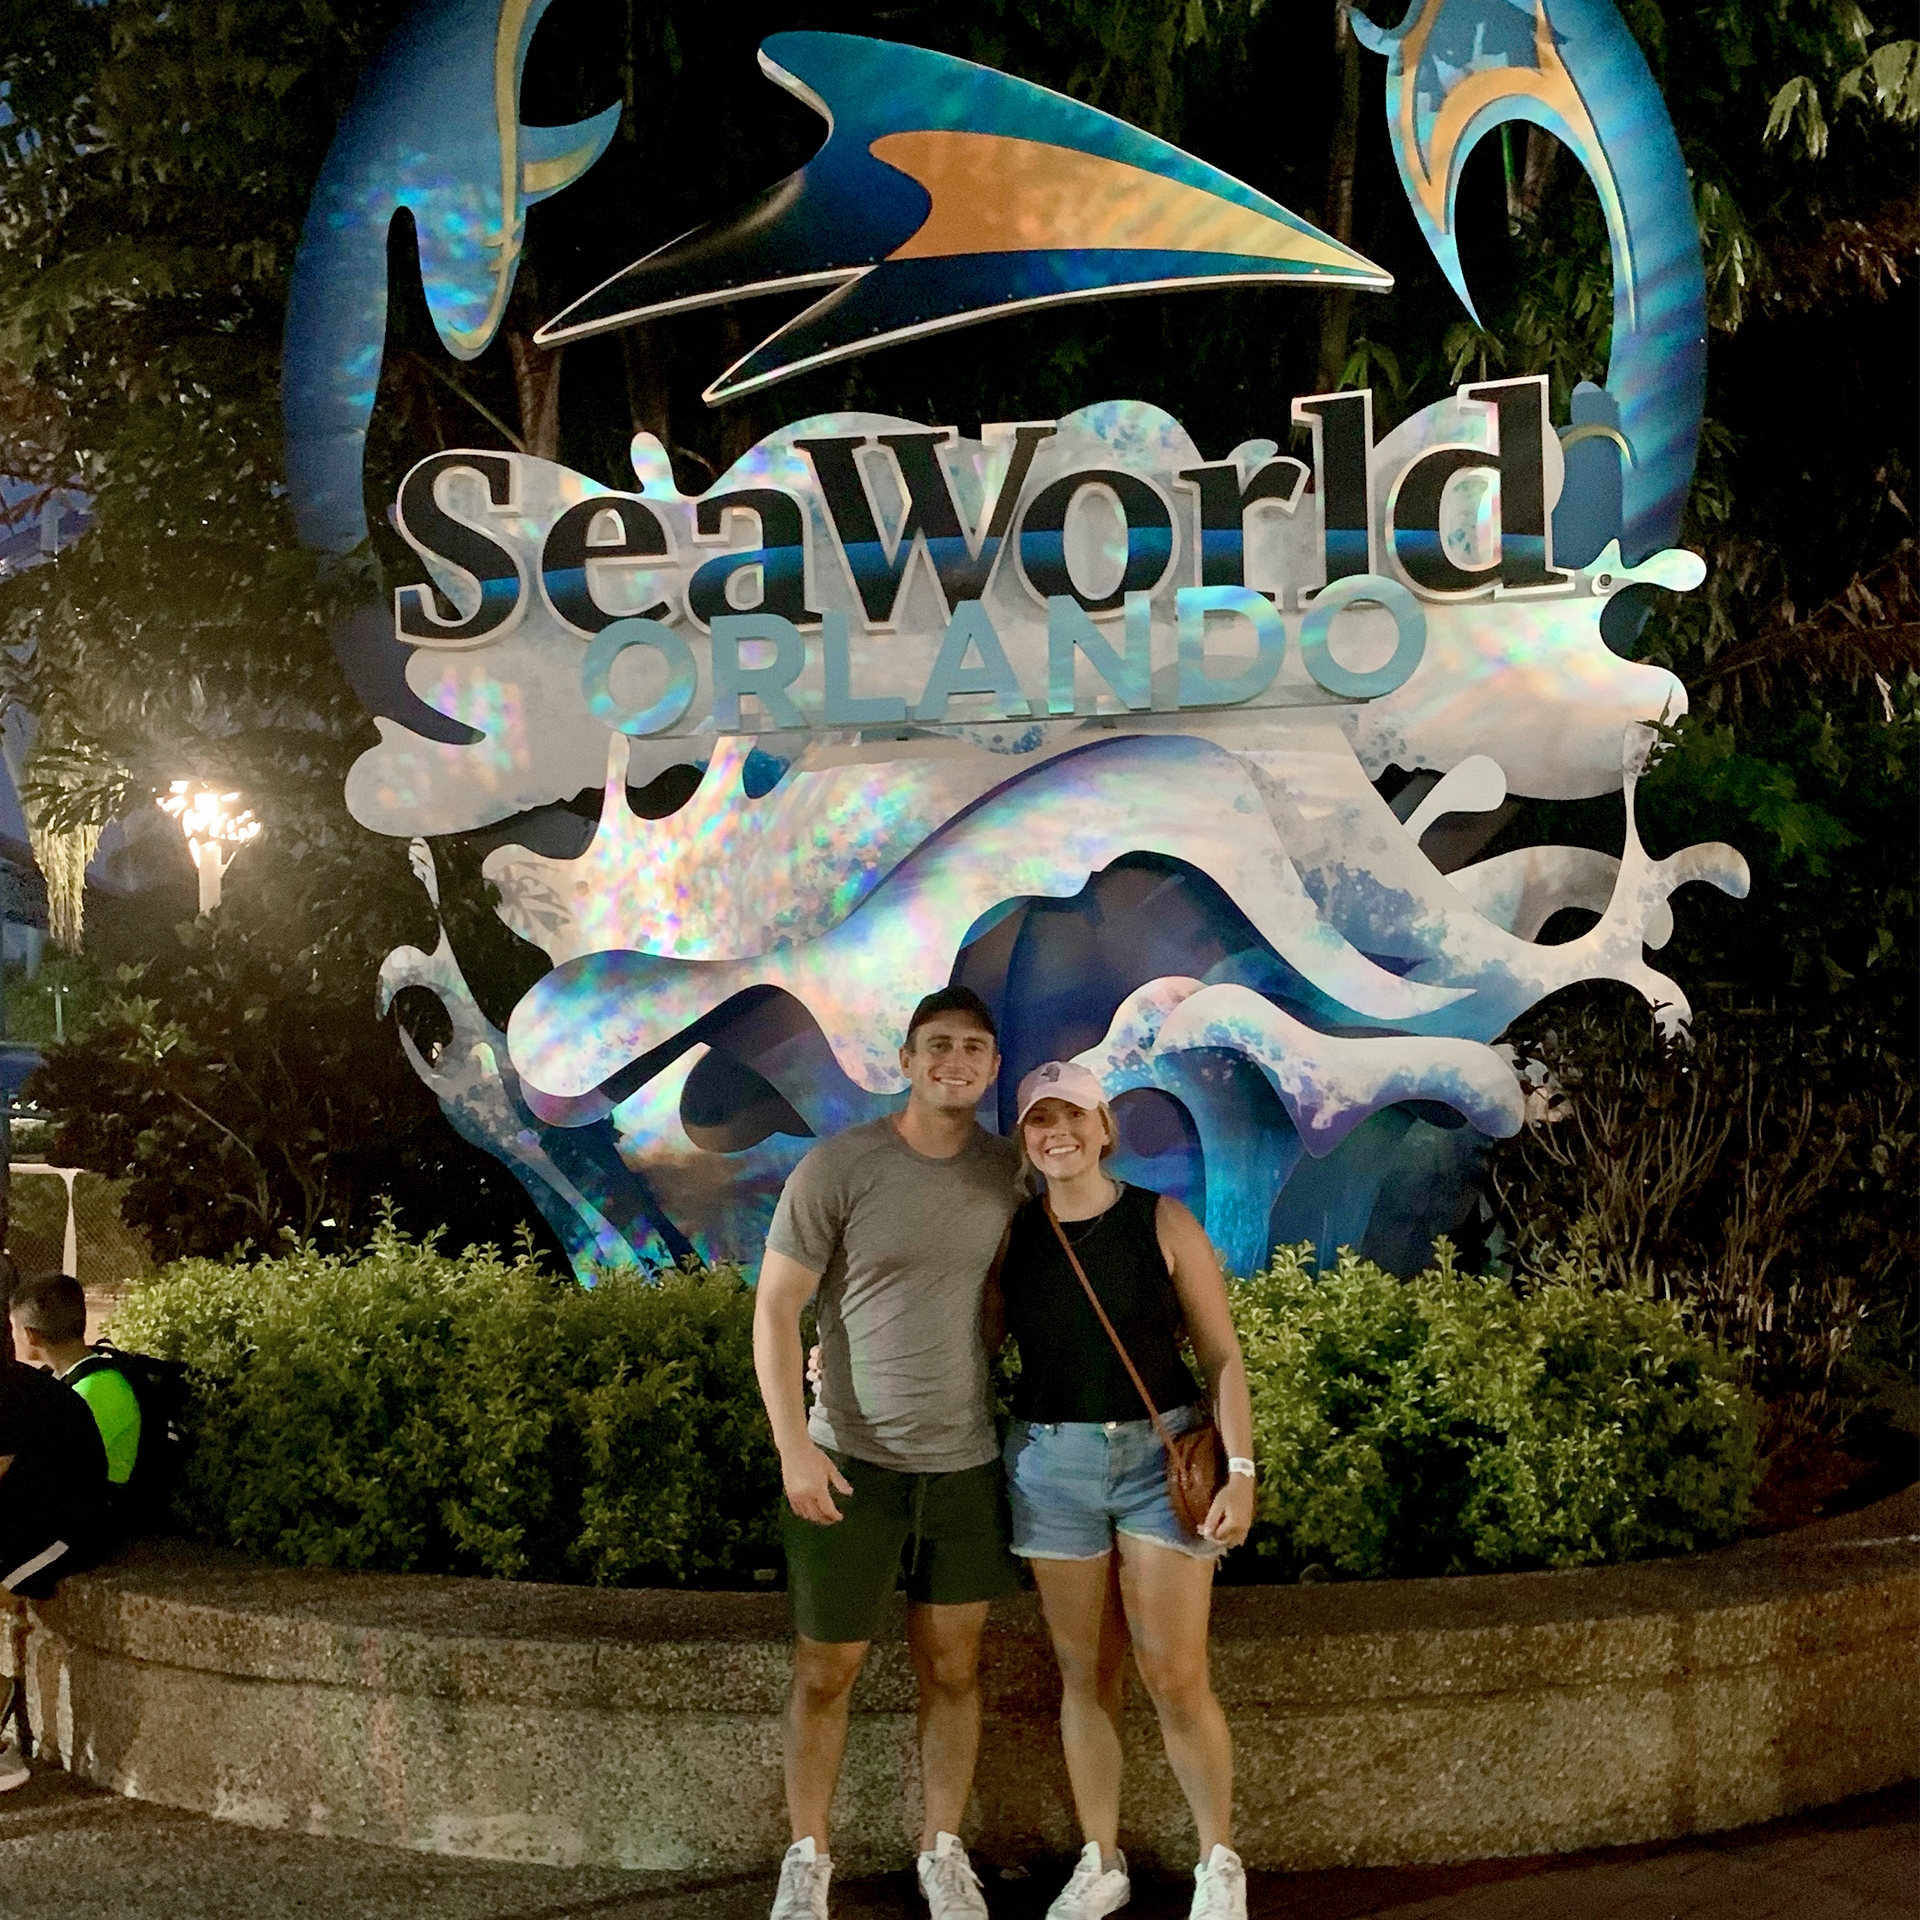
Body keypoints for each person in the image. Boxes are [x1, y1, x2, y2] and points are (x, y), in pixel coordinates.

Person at [753, 985, 1022, 1920]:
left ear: (993, 1068)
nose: (956, 1061)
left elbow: (1010, 1293)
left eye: (975, 1049)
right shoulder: (841, 1166)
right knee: (825, 1672)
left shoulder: (1008, 1173)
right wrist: (795, 1448)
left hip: (964, 1462)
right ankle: (807, 1857)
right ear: (906, 1059)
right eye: (938, 1044)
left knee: (953, 1669)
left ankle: (942, 1850)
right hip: (849, 1462)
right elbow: (777, 1309)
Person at [994, 1060, 1257, 1920]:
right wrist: (833, 1367)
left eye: (1074, 1116)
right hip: (1050, 1463)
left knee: (1175, 1674)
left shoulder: (1162, 1220)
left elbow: (1221, 1355)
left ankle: (1218, 1860)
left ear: (1105, 1127)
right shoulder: (1014, 1233)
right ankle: (1099, 1860)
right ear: (1025, 1139)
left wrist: (1243, 1472)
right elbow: (964, 1343)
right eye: (1040, 1120)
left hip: (1161, 1460)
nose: (1057, 1133)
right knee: (1084, 1673)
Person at [7, 1275, 146, 1535]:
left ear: (30, 1335)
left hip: (97, 1515)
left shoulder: (92, 1389)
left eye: (13, 1327)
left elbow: (55, 1470)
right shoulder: (80, 1377)